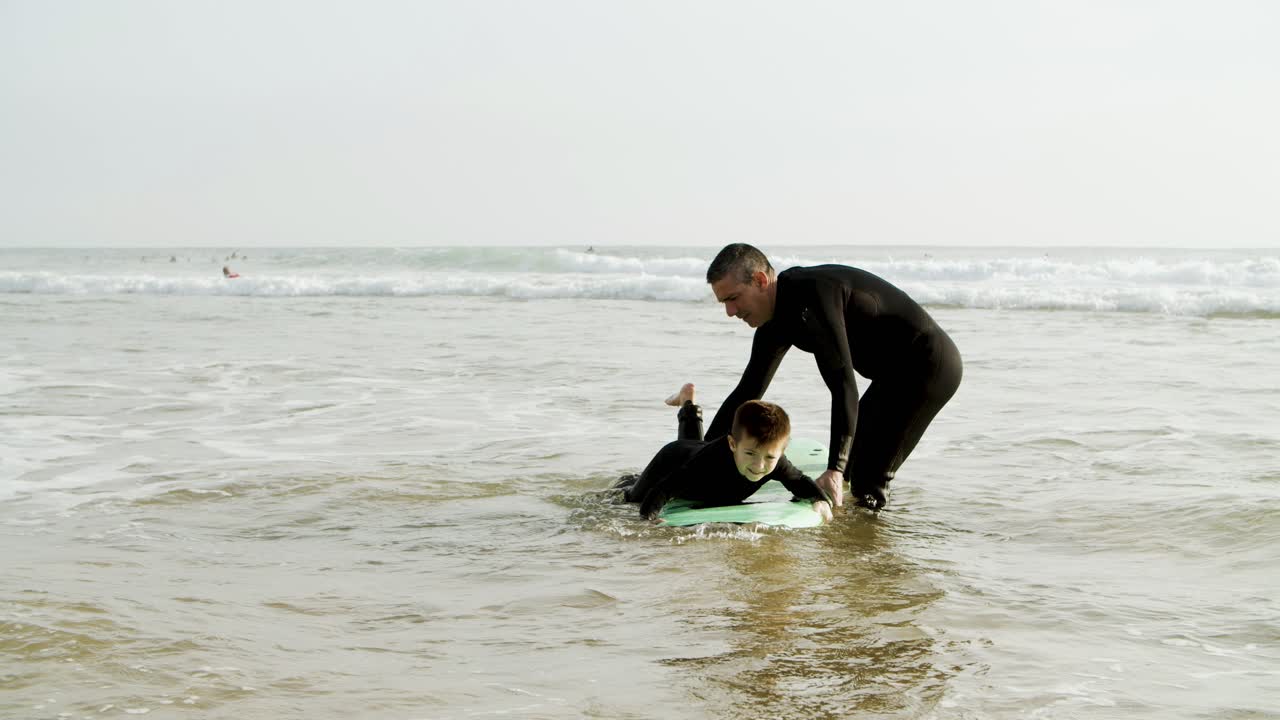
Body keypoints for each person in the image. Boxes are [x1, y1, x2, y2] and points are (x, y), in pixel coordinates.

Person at [705, 243, 962, 511]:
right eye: (724, 303)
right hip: (891, 378)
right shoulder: (776, 320)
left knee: (868, 477)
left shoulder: (812, 293)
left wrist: (834, 469)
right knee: (853, 462)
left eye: (733, 298)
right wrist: (696, 451)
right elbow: (747, 391)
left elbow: (842, 385)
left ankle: (868, 546)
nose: (730, 312)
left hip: (928, 366)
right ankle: (848, 535)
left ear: (760, 280)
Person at [616, 384, 834, 523]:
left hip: (696, 454)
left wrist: (821, 501)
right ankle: (628, 482)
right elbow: (663, 488)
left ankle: (687, 401)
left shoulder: (774, 461)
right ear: (732, 444)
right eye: (750, 454)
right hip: (673, 461)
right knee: (631, 498)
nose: (759, 466)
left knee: (694, 445)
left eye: (769, 457)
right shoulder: (708, 462)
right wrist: (648, 520)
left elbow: (800, 482)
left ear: (781, 452)